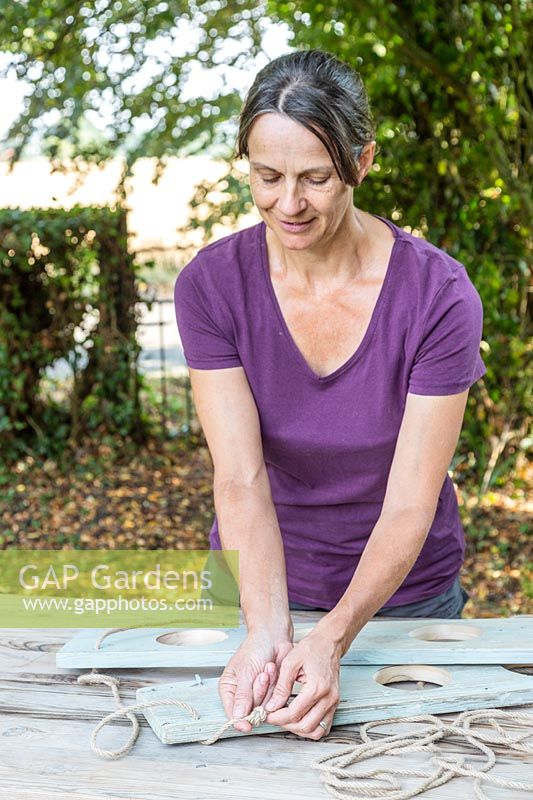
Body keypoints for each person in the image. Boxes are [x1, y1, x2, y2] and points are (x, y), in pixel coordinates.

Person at [173, 49, 486, 741]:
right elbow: (241, 476)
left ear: (362, 162)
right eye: (267, 176)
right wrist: (267, 631)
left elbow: (410, 500)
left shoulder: (437, 295)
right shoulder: (210, 286)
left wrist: (332, 639)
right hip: (255, 589)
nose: (289, 204)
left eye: (315, 177)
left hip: (402, 602)